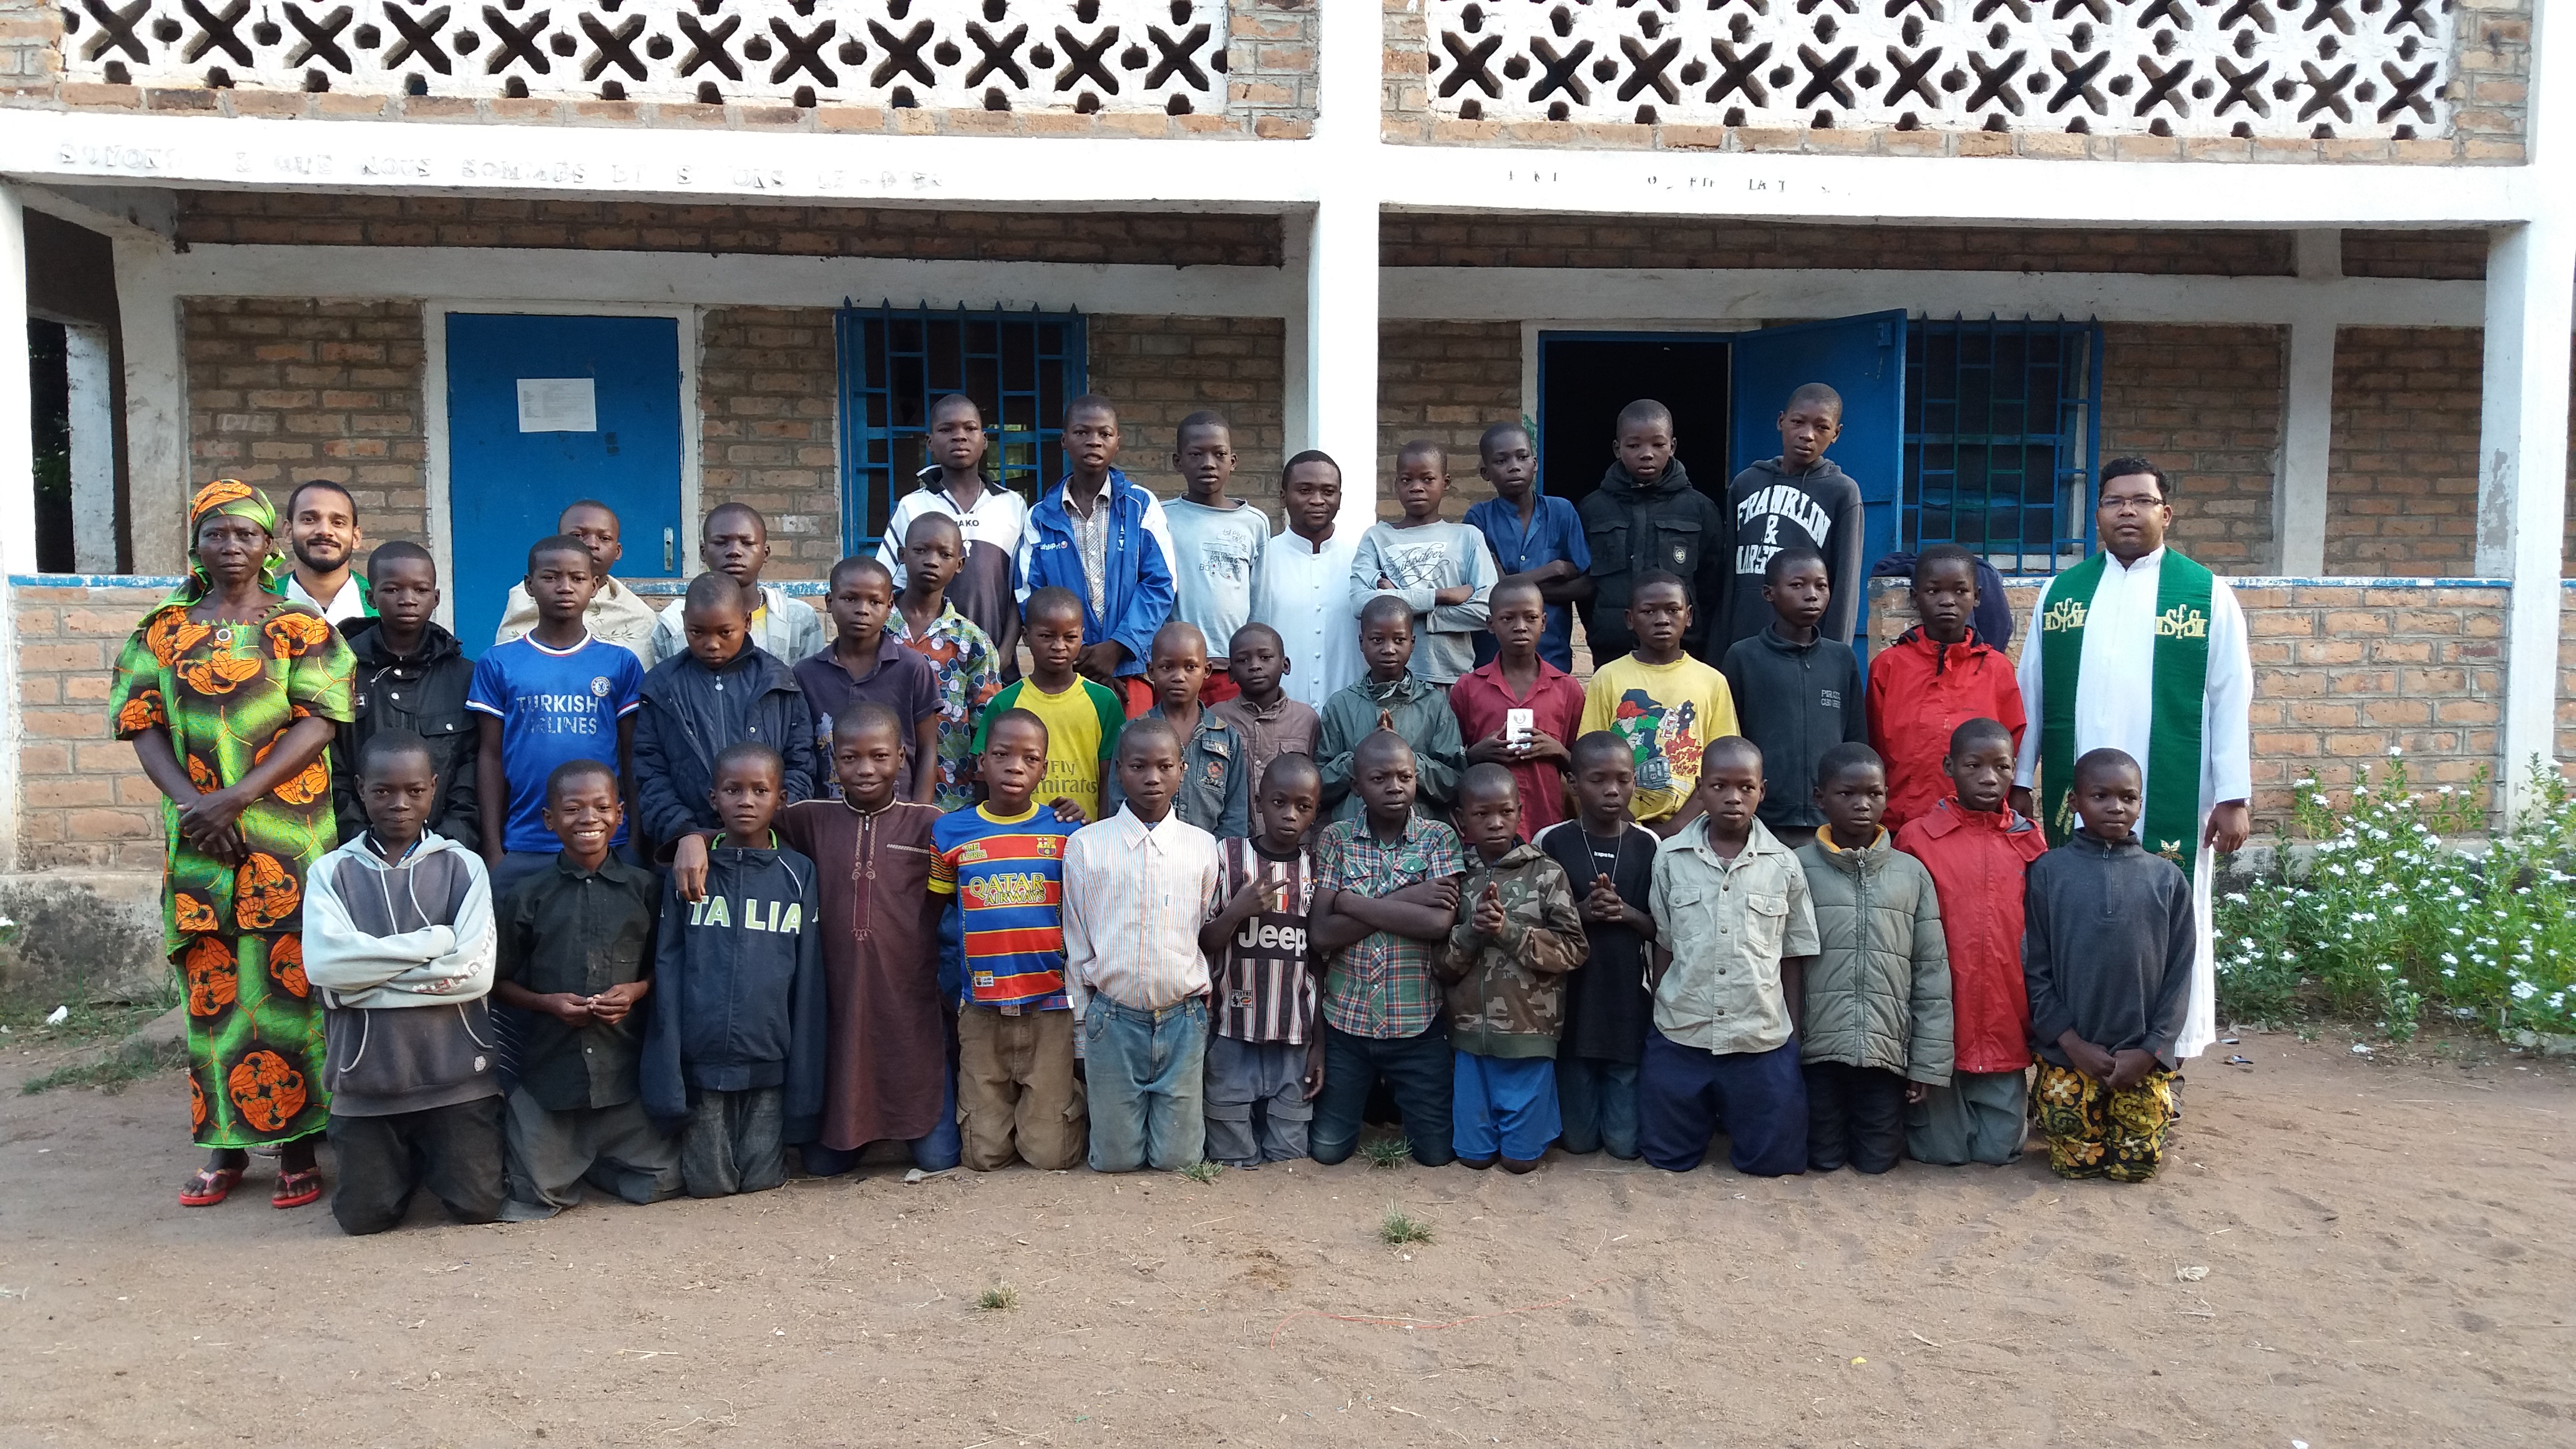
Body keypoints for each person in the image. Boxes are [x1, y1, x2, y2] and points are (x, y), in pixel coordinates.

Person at [114, 480, 354, 1211]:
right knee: (212, 989)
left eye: (245, 534)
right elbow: (141, 723)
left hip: (284, 836)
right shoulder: (163, 631)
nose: (230, 547)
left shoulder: (299, 627)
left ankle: (297, 1146)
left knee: (289, 987)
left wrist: (237, 797)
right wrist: (197, 807)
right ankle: (222, 1146)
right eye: (215, 534)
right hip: (200, 842)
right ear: (196, 545)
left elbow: (323, 719)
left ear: (268, 544)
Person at [2012, 459, 2252, 1067]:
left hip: (2169, 792)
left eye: (2142, 501)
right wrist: (2019, 780)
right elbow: (2031, 691)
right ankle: (2073, 1051)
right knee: (2075, 917)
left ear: (2165, 514)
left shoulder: (2205, 594)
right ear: (2095, 514)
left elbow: (2231, 696)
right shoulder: (2061, 595)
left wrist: (2233, 796)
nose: (2127, 511)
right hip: (2078, 792)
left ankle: (2165, 1055)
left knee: (2166, 921)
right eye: (2115, 501)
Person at [676, 703, 958, 1179]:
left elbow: (986, 845)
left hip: (908, 1002)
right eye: (850, 758)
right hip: (836, 1002)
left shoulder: (929, 822)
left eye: (879, 757)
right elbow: (747, 825)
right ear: (833, 760)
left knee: (938, 1158)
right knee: (824, 1164)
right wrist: (694, 839)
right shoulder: (810, 818)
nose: (865, 769)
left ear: (902, 757)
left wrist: (1061, 816)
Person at [303, 732, 504, 1234]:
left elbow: (474, 974)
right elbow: (326, 970)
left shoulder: (464, 866)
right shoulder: (331, 873)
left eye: (414, 791)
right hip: (365, 1082)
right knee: (364, 1220)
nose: (399, 804)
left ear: (433, 788)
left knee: (479, 1207)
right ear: (360, 789)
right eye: (383, 791)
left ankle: (424, 1162)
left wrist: (362, 984)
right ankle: (402, 1168)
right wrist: (435, 941)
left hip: (457, 1080)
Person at [490, 758, 680, 1220]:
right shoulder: (528, 894)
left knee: (668, 1179)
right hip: (552, 1076)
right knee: (537, 1196)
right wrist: (546, 1004)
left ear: (620, 814)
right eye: (572, 809)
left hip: (622, 1076)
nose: (588, 819)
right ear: (549, 819)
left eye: (601, 807)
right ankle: (569, 1160)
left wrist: (636, 991)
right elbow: (497, 983)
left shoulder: (645, 889)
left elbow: (666, 967)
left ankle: (595, 1165)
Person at [639, 742, 825, 1198]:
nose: (746, 801)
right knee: (709, 1186)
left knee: (763, 1181)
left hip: (770, 1055)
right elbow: (668, 962)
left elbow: (808, 976)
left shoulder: (798, 872)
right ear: (713, 798)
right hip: (701, 1058)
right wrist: (671, 1056)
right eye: (732, 790)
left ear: (781, 799)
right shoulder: (689, 870)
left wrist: (802, 1068)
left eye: (760, 790)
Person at [1640, 738, 1816, 1177]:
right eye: (1719, 786)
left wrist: (1792, 1035)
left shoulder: (1784, 865)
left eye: (1746, 787)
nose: (1733, 797)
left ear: (1762, 791)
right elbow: (1663, 941)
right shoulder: (1670, 858)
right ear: (1700, 789)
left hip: (1759, 1036)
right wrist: (1661, 1010)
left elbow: (1793, 954)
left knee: (1775, 1162)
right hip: (1682, 1032)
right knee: (1666, 1158)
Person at [2024, 748, 2195, 1183]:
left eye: (2128, 797)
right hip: (2069, 1055)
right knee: (2074, 1165)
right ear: (2074, 802)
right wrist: (2071, 1043)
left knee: (2135, 1168)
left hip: (2139, 1057)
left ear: (2140, 804)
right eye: (2100, 796)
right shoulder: (2047, 873)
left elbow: (2180, 974)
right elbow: (2035, 968)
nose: (2116, 807)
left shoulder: (2167, 879)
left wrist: (2152, 1050)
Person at [1063, 718, 1223, 1172]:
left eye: (1165, 766)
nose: (1152, 777)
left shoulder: (1202, 848)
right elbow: (1077, 944)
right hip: (1113, 1019)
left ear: (1183, 771)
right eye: (1138, 766)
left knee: (1178, 1160)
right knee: (1115, 1160)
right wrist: (1081, 1030)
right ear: (1118, 771)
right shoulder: (1086, 847)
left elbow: (1203, 929)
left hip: (1182, 1019)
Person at [932, 709, 1088, 1171]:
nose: (1015, 767)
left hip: (1049, 1005)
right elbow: (937, 913)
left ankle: (1064, 1099)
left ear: (1044, 768)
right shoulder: (950, 831)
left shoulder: (1067, 832)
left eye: (1030, 758)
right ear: (981, 762)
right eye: (1002, 755)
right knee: (983, 1156)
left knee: (1052, 1156)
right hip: (981, 1006)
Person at [1306, 732, 1466, 1168]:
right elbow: (1321, 934)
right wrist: (1409, 896)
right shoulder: (1336, 839)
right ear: (1357, 787)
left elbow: (1437, 924)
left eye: (1405, 777)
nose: (1394, 787)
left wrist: (1349, 902)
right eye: (1379, 779)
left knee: (1436, 1155)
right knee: (1327, 1151)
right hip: (1348, 1024)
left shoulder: (1438, 838)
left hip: (1417, 1025)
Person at [1792, 743, 1953, 1175]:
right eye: (1847, 794)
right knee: (1822, 1158)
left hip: (1885, 1052)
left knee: (1877, 1162)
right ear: (1820, 798)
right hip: (1816, 1052)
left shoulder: (1911, 874)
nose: (1862, 804)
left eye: (1874, 793)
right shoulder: (1795, 868)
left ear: (1886, 796)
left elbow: (1932, 974)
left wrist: (1926, 1064)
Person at [1895, 717, 2050, 1167]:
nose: (1988, 778)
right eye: (1973, 765)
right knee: (1939, 1152)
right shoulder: (1918, 839)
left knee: (1999, 1152)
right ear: (1949, 767)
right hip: (1941, 1023)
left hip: (2005, 1015)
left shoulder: (2029, 842)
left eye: (2001, 767)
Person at [469, 535, 645, 903]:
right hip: (524, 843)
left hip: (606, 843)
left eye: (577, 578)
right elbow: (490, 756)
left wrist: (634, 842)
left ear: (594, 585)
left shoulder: (620, 663)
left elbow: (631, 755)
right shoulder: (498, 662)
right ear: (530, 586)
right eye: (550, 577)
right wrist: (493, 849)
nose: (565, 587)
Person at [1435, 764, 1588, 1173]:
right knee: (1473, 1159)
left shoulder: (1546, 873)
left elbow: (1575, 950)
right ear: (1461, 818)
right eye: (1481, 814)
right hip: (1469, 1040)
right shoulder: (1452, 875)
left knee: (1520, 1163)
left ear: (1521, 812)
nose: (1495, 823)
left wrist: (1508, 932)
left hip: (1529, 1038)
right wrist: (1471, 932)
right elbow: (1440, 966)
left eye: (1505, 812)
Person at [1198, 753, 1328, 1168]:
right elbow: (1204, 941)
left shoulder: (1316, 869)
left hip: (1295, 1035)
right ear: (1258, 803)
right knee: (1231, 1156)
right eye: (1278, 802)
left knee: (1289, 1157)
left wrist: (1319, 1045)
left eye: (1303, 806)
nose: (1290, 814)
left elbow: (1318, 961)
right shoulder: (1227, 856)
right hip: (1231, 1030)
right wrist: (1237, 911)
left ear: (1315, 813)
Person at [1535, 732, 1659, 1161]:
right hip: (1572, 1006)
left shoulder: (1649, 845)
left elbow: (1662, 929)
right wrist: (1581, 912)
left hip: (1627, 1006)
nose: (1612, 790)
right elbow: (1535, 923)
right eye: (1598, 780)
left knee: (1624, 1146)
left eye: (1623, 780)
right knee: (1579, 1142)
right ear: (1572, 783)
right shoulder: (1550, 842)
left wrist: (1626, 913)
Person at [633, 572, 819, 856]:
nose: (712, 644)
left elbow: (800, 762)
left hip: (769, 847)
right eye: (697, 633)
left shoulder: (777, 681)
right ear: (684, 623)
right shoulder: (662, 686)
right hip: (689, 848)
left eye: (725, 632)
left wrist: (770, 823)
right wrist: (685, 832)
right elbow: (650, 772)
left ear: (747, 622)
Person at [1017, 394, 1176, 715]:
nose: (1094, 441)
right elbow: (1029, 594)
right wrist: (1079, 654)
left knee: (1133, 746)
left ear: (1118, 442)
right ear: (1064, 440)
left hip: (1131, 668)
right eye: (1082, 432)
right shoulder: (1040, 517)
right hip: (1066, 673)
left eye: (1105, 433)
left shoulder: (1140, 505)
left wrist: (1117, 648)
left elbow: (1161, 584)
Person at [1868, 543, 2025, 832]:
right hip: (1900, 824)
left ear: (1977, 597)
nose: (1947, 601)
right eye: (1934, 591)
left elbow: (2012, 744)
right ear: (1915, 597)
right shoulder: (1888, 666)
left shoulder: (1996, 669)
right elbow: (1875, 745)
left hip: (1975, 825)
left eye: (1960, 591)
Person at [333, 540, 479, 848]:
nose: (408, 600)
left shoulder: (464, 676)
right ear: (370, 598)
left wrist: (448, 841)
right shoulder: (339, 671)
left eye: (421, 590)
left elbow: (471, 768)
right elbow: (333, 767)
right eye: (392, 590)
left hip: (447, 848)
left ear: (436, 598)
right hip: (356, 849)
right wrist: (359, 840)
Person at [1578, 572, 1740, 837]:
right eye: (1649, 611)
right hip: (1620, 826)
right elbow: (1589, 758)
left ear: (1689, 616)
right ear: (1630, 619)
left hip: (1692, 829)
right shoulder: (1607, 678)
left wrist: (1677, 826)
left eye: (1673, 610)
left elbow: (1723, 766)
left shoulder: (1712, 681)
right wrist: (1626, 823)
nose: (1662, 619)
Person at [1722, 546, 1866, 839]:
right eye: (1797, 585)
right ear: (1769, 593)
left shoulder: (1841, 659)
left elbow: (1856, 740)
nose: (1811, 595)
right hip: (1762, 819)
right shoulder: (1743, 657)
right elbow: (1730, 739)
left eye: (1821, 586)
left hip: (1829, 820)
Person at [877, 394, 1027, 671]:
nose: (959, 436)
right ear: (930, 442)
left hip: (993, 660)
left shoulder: (1012, 505)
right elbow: (886, 586)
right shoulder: (913, 506)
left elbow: (1020, 590)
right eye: (947, 429)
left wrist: (1005, 652)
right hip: (922, 663)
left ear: (984, 439)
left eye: (970, 428)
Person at [1576, 399, 1730, 664]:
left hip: (1682, 652)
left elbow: (1711, 585)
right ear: (1617, 449)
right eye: (1634, 445)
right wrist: (1604, 626)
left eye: (1658, 445)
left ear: (1672, 447)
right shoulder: (1593, 509)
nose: (1646, 454)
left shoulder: (1699, 509)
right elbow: (1586, 587)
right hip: (1612, 650)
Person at [1719, 383, 1866, 653]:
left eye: (1822, 428)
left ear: (1836, 434)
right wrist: (1719, 649)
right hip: (1742, 642)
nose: (1807, 435)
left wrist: (1834, 656)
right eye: (1798, 422)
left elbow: (1845, 584)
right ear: (1781, 421)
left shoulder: (1842, 492)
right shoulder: (1745, 484)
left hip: (1804, 647)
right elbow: (1728, 576)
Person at [1349, 440, 1498, 688]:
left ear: (1445, 482)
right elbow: (1361, 603)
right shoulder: (1376, 538)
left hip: (1451, 679)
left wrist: (1401, 602)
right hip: (1389, 682)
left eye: (1427, 479)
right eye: (1407, 480)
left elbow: (1487, 611)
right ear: (1396, 484)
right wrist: (1442, 596)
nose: (1416, 487)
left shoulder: (1468, 538)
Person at [973, 587, 1125, 825]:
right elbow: (984, 775)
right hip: (1019, 832)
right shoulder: (1006, 701)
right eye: (1047, 636)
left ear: (1082, 636)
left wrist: (1103, 832)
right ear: (1025, 636)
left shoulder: (1103, 701)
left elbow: (1111, 779)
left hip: (1084, 832)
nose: (1059, 646)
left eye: (1070, 637)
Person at [1450, 578, 1583, 842]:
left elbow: (1582, 766)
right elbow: (1450, 763)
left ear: (1543, 623)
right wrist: (1476, 754)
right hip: (1485, 831)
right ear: (1491, 624)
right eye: (1508, 618)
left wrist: (1557, 750)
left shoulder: (1567, 688)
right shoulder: (1467, 687)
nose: (1520, 627)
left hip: (1546, 824)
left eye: (1530, 618)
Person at [798, 556, 940, 804]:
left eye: (875, 601)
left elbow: (928, 749)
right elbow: (801, 753)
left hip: (899, 812)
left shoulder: (912, 668)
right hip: (828, 814)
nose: (862, 610)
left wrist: (919, 813)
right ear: (829, 602)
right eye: (850, 599)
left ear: (890, 606)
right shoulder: (806, 675)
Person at [1315, 595, 1466, 827]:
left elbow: (1455, 783)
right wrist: (1360, 760)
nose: (1388, 649)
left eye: (1399, 640)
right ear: (1361, 642)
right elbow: (1318, 787)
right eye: (1377, 640)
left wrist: (1407, 761)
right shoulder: (1340, 705)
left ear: (1412, 643)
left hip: (1420, 836)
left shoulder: (1433, 704)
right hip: (1352, 834)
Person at [889, 512, 1007, 811]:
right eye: (921, 550)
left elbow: (987, 724)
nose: (932, 561)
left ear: (960, 564)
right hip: (879, 790)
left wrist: (983, 800)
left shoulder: (972, 640)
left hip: (953, 797)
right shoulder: (876, 627)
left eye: (945, 554)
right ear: (902, 555)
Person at [1101, 622, 1251, 838]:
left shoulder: (1226, 737)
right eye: (1167, 667)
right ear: (1151, 671)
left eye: (1190, 667)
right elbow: (1118, 804)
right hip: (1144, 852)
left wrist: (1217, 853)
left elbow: (1235, 816)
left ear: (1207, 670)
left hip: (1210, 855)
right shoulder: (1132, 733)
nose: (1179, 677)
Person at [1463, 421, 1592, 672]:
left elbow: (1586, 585)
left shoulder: (1561, 512)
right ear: (1485, 472)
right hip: (1493, 660)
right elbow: (1491, 588)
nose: (1514, 466)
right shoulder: (1478, 519)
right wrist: (1554, 569)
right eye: (1501, 461)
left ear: (1535, 463)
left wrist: (1511, 590)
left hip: (1552, 655)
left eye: (1522, 457)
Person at [1162, 411, 1271, 704]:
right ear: (1178, 462)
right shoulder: (1160, 517)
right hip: (1177, 664)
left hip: (1233, 666)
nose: (1208, 463)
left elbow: (1260, 602)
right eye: (1196, 454)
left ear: (1232, 462)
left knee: (1228, 732)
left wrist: (1254, 655)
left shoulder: (1254, 523)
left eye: (1219, 454)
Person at [1252, 451, 1365, 712]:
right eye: (1305, 490)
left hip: (1350, 715)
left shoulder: (1362, 560)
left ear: (1340, 498)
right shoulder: (1261, 560)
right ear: (1283, 497)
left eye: (1328, 491)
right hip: (1278, 715)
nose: (1317, 500)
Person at [649, 503, 827, 667]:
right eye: (721, 543)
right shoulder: (672, 624)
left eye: (747, 543)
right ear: (703, 552)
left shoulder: (798, 619)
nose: (734, 551)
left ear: (765, 553)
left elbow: (811, 684)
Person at [497, 499, 661, 662]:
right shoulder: (524, 601)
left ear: (617, 551)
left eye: (604, 538)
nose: (592, 544)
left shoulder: (638, 616)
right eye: (577, 535)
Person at [1208, 622, 1320, 839]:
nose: (1255, 666)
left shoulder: (1307, 719)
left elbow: (1318, 787)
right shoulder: (1216, 719)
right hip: (1232, 843)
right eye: (1243, 660)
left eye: (1265, 657)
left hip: (1295, 845)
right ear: (1230, 673)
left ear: (1285, 665)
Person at [280, 479, 374, 627]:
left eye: (338, 522)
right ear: (288, 531)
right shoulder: (255, 608)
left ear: (356, 537)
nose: (325, 531)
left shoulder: (383, 608)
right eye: (309, 520)